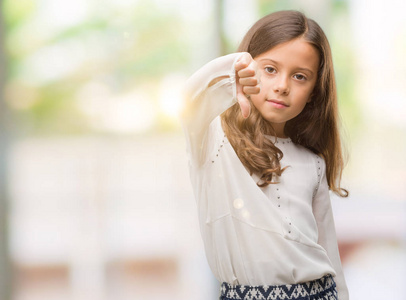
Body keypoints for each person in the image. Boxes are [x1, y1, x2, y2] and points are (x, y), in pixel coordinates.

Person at [180, 10, 349, 300]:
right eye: (270, 69)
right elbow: (190, 100)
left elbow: (330, 254)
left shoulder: (314, 163)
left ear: (313, 92)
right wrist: (232, 72)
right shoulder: (214, 142)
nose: (282, 85)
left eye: (299, 76)